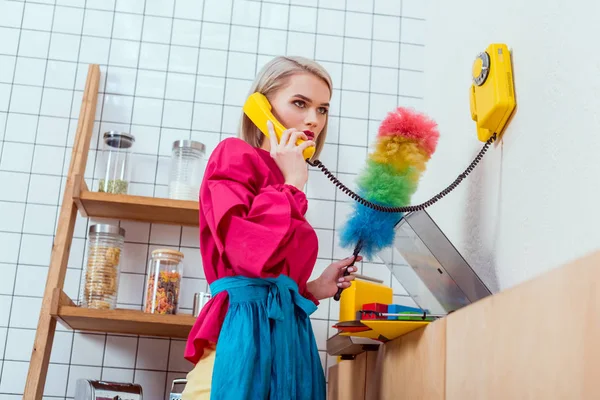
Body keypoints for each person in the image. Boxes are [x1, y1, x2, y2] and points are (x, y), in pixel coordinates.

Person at [181, 55, 361, 400]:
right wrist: (292, 184)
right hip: (243, 334)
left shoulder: (286, 182)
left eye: (322, 109)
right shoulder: (234, 156)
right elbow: (246, 253)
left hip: (290, 338)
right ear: (261, 107)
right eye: (300, 103)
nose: (313, 120)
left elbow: (271, 278)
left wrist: (312, 288)